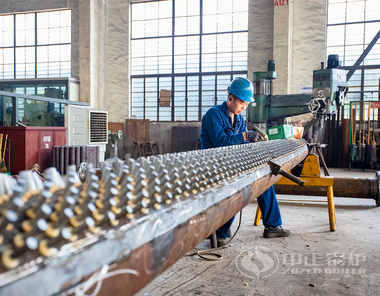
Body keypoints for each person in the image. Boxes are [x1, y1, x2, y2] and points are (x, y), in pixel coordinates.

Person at [200, 77, 290, 247]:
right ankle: (219, 231)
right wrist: (246, 136)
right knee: (239, 189)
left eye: (247, 105)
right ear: (230, 97)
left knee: (264, 180)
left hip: (231, 164)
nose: (243, 107)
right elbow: (221, 142)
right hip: (213, 166)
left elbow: (242, 145)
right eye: (242, 103)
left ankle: (272, 225)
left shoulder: (239, 119)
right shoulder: (214, 114)